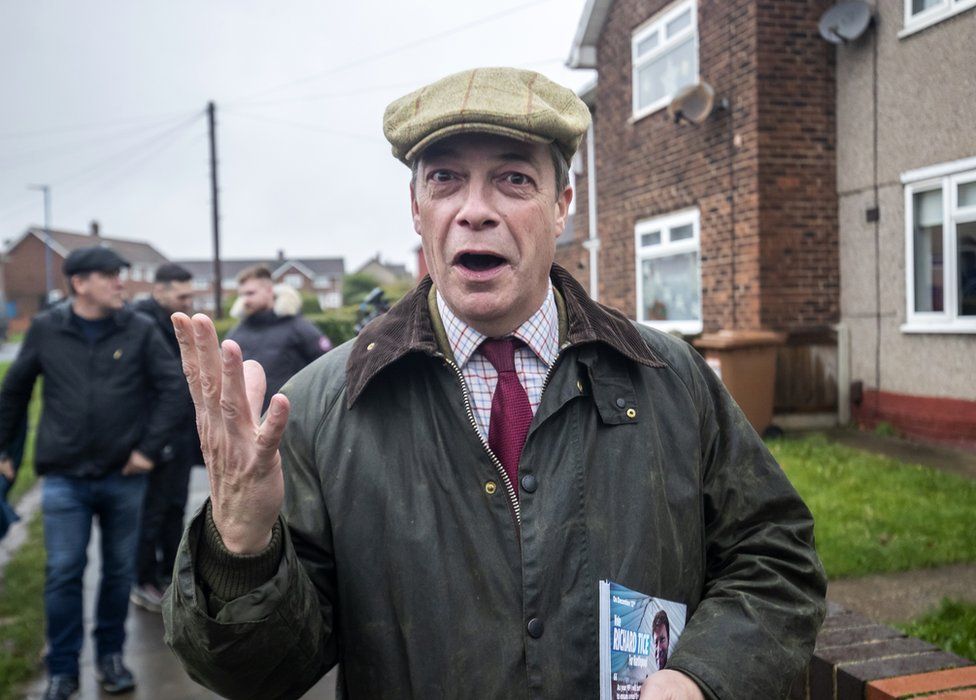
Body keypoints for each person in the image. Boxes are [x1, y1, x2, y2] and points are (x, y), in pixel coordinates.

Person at [164, 68, 826, 699]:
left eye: (513, 179)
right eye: (446, 179)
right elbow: (261, 675)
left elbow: (775, 557)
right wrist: (243, 549)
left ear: (562, 205)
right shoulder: (319, 409)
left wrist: (702, 675)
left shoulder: (669, 378)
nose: (474, 210)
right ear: (416, 209)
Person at [0, 247, 184, 700]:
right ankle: (63, 670)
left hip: (125, 476)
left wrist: (146, 451)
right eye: (108, 275)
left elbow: (173, 389)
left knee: (118, 572)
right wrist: (4, 449)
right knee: (64, 571)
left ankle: (110, 658)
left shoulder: (139, 329)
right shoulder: (47, 328)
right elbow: (14, 390)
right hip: (64, 478)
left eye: (120, 274)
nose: (120, 282)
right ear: (79, 283)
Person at [130, 263, 202, 612]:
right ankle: (142, 579)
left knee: (175, 508)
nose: (188, 301)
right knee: (151, 512)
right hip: (154, 436)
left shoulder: (177, 323)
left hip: (181, 432)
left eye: (191, 295)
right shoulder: (141, 325)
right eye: (181, 295)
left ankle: (170, 575)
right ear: (159, 291)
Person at [226, 265, 332, 411]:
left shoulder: (299, 327)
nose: (245, 300)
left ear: (269, 290)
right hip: (248, 420)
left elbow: (327, 366)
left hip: (290, 417)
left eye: (250, 293)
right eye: (242, 295)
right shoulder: (236, 333)